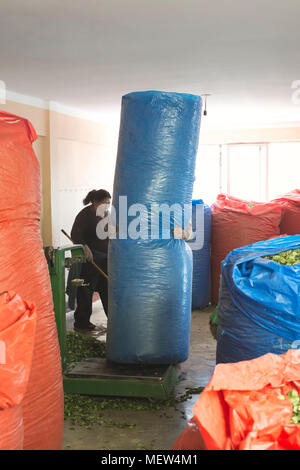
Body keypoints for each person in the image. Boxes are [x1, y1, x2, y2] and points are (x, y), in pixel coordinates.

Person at [71, 189, 111, 331]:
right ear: (95, 202)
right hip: (91, 261)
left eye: (108, 203)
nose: (106, 205)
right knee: (86, 292)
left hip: (106, 261)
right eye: (104, 203)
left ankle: (113, 321)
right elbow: (75, 234)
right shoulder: (85, 215)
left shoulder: (106, 215)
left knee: (107, 292)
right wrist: (85, 246)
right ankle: (82, 322)